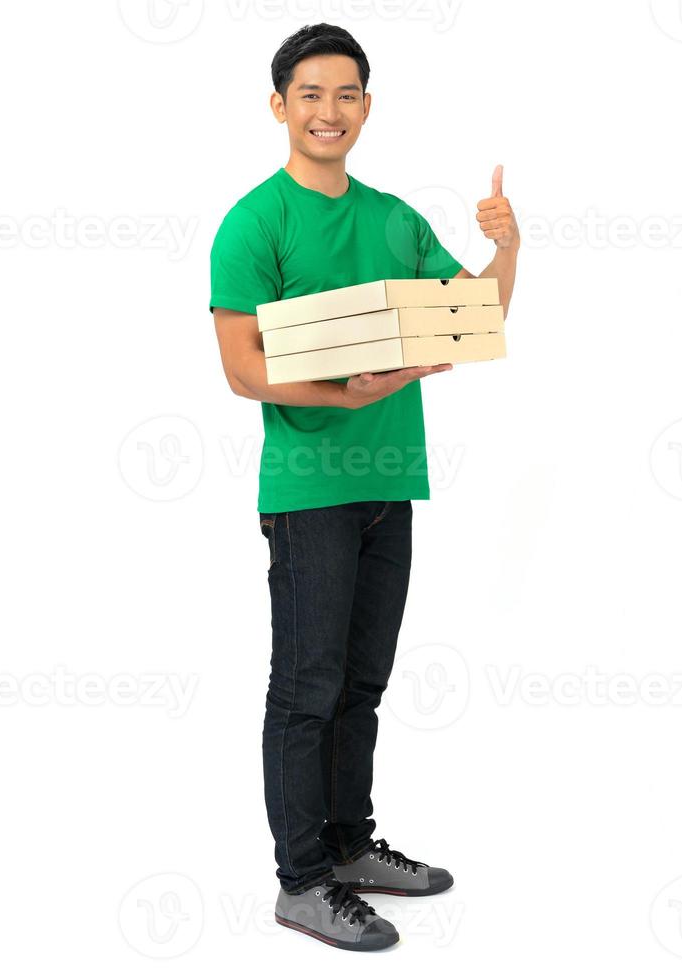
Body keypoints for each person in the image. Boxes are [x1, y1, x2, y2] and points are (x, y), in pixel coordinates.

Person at [207, 23, 519, 951]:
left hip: (392, 477)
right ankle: (301, 880)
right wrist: (344, 391)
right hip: (307, 488)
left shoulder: (395, 219)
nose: (328, 111)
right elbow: (241, 369)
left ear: (367, 108)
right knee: (308, 686)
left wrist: (505, 248)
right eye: (310, 94)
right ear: (279, 107)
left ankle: (347, 847)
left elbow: (475, 317)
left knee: (363, 683)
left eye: (346, 95)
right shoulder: (253, 222)